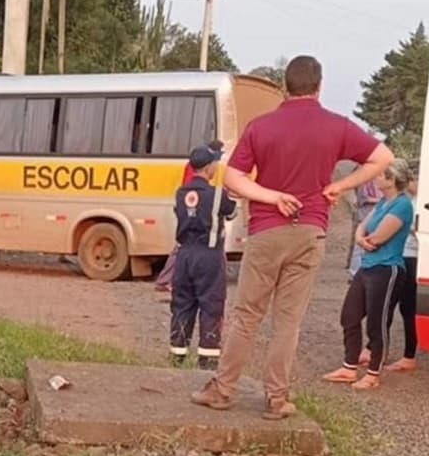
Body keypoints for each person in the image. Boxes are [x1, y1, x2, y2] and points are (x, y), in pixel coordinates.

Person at [189, 55, 394, 419]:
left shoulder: (261, 126)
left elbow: (233, 177)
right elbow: (383, 157)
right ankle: (277, 398)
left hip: (266, 231)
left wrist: (272, 197)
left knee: (247, 315)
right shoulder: (337, 126)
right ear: (320, 86)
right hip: (310, 232)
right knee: (287, 321)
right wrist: (340, 186)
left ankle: (222, 390)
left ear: (285, 85)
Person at [322, 159, 415, 389]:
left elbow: (379, 237)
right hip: (368, 266)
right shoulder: (383, 201)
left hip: (387, 268)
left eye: (380, 175)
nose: (375, 178)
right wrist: (361, 238)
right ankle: (349, 366)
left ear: (392, 179)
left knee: (377, 322)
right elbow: (362, 226)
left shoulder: (402, 205)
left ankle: (373, 373)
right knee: (349, 315)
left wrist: (364, 240)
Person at [169, 144, 238, 370]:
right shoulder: (217, 194)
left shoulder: (180, 192)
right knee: (211, 305)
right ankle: (207, 360)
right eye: (215, 163)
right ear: (209, 167)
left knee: (182, 304)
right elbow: (232, 212)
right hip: (208, 256)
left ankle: (177, 356)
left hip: (184, 255)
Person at [155, 140, 226, 292]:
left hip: (192, 203)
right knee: (184, 246)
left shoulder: (197, 163)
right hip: (194, 204)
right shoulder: (201, 167)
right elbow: (193, 189)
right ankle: (165, 279)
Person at [384, 160, 420, 372]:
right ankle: (375, 349)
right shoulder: (406, 201)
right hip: (400, 254)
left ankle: (409, 355)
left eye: (414, 178)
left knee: (407, 308)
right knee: (387, 305)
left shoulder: (419, 204)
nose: (410, 183)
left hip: (411, 257)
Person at [347, 169, 381, 279]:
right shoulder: (364, 183)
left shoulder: (376, 182)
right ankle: (354, 271)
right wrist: (381, 200)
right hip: (364, 215)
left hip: (373, 216)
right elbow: (364, 199)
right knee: (359, 246)